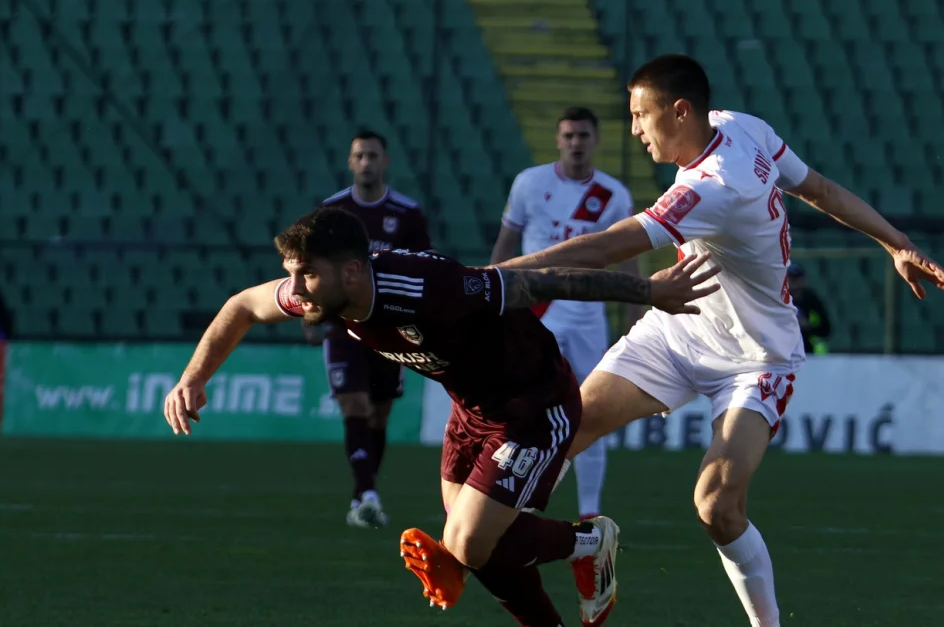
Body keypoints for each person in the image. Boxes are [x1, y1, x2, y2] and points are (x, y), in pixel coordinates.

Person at [496, 54, 944, 627]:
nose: (636, 129)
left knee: (717, 505)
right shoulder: (742, 125)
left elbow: (606, 247)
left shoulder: (711, 187)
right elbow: (819, 189)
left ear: (680, 111)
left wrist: (503, 276)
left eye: (642, 116)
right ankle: (559, 548)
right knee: (562, 431)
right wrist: (895, 241)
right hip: (678, 330)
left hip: (755, 358)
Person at [163, 207, 721, 627]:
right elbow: (241, 306)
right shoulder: (318, 292)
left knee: (470, 543)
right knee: (473, 550)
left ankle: (588, 543)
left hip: (534, 405)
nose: (297, 288)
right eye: (293, 273)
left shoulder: (431, 289)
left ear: (353, 271)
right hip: (471, 408)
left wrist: (647, 289)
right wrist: (194, 376)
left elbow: (547, 280)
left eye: (307, 273)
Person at [490, 106, 640, 522]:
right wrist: (490, 297)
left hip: (589, 319)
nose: (576, 143)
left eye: (583, 136)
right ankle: (506, 502)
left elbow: (629, 262)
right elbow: (506, 245)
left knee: (592, 413)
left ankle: (590, 513)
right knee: (522, 409)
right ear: (558, 140)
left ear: (596, 141)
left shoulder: (614, 196)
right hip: (535, 313)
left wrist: (632, 321)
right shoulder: (529, 183)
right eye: (569, 136)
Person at [309, 129, 433, 528]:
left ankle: (363, 495)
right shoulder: (330, 213)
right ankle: (367, 494)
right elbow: (311, 268)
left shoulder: (407, 214)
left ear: (386, 161)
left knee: (378, 418)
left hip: (389, 328)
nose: (366, 163)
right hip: (343, 327)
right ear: (350, 162)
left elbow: (424, 267)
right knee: (355, 406)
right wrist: (309, 312)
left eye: (373, 156)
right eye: (359, 156)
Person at [786, 262, 831, 354]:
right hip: (785, 349)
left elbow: (826, 329)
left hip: (809, 350)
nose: (794, 281)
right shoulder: (780, 299)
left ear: (803, 279)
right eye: (791, 278)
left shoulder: (811, 299)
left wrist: (807, 326)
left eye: (797, 278)